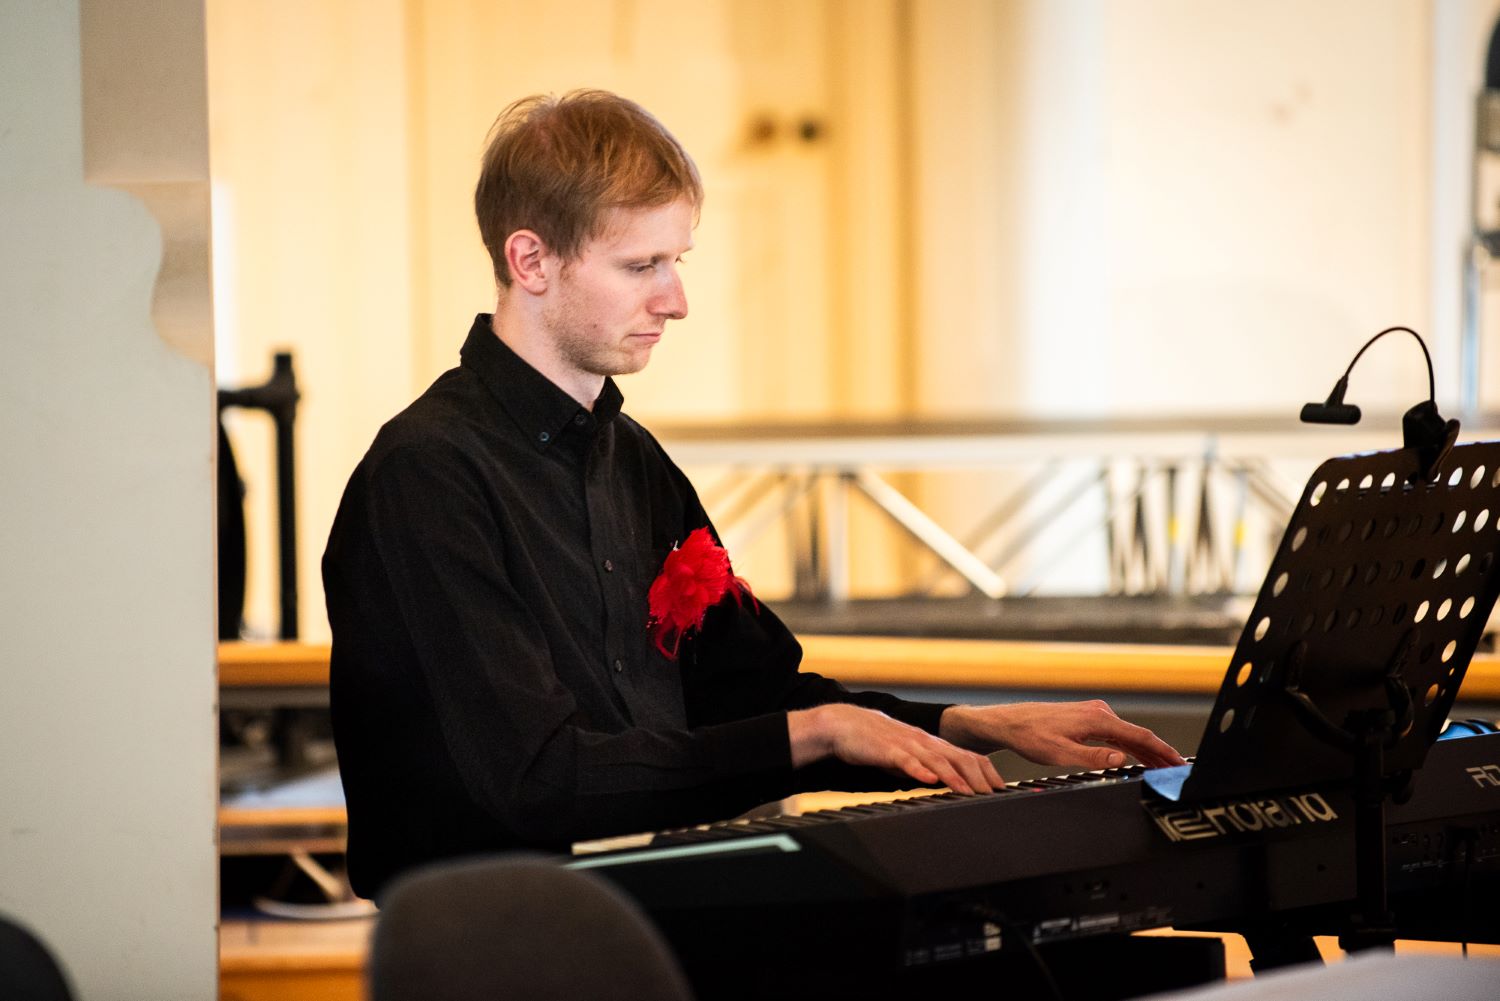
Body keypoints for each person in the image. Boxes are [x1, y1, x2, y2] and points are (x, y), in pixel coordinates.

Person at [323, 89, 1184, 901]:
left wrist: (967, 724)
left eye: (677, 260)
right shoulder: (428, 474)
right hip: (501, 942)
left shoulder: (634, 464)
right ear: (531, 259)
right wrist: (818, 733)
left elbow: (752, 697)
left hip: (649, 909)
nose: (677, 299)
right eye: (642, 264)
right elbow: (537, 783)